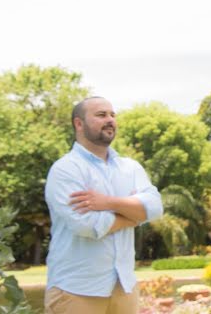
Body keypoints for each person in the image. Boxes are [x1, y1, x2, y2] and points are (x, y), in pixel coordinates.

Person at [44, 96, 163, 314]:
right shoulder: (66, 170)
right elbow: (87, 225)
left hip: (124, 287)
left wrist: (107, 202)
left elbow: (155, 208)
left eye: (112, 115)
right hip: (76, 290)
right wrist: (135, 214)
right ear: (78, 124)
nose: (110, 120)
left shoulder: (131, 168)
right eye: (101, 115)